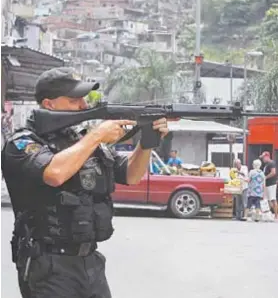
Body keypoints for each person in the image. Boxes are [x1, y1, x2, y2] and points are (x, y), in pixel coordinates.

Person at [1, 67, 169, 298]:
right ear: (49, 105)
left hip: (90, 262)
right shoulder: (22, 143)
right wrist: (97, 135)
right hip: (49, 265)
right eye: (74, 100)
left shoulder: (81, 141)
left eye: (83, 98)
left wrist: (147, 142)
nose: (83, 105)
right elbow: (54, 173)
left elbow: (131, 175)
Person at [260, 151, 278, 219]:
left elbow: (273, 172)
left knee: (273, 199)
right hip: (267, 184)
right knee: (268, 200)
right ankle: (270, 214)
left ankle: (276, 215)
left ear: (267, 156)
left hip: (271, 184)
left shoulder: (271, 163)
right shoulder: (266, 164)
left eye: (263, 157)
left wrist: (266, 177)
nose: (263, 159)